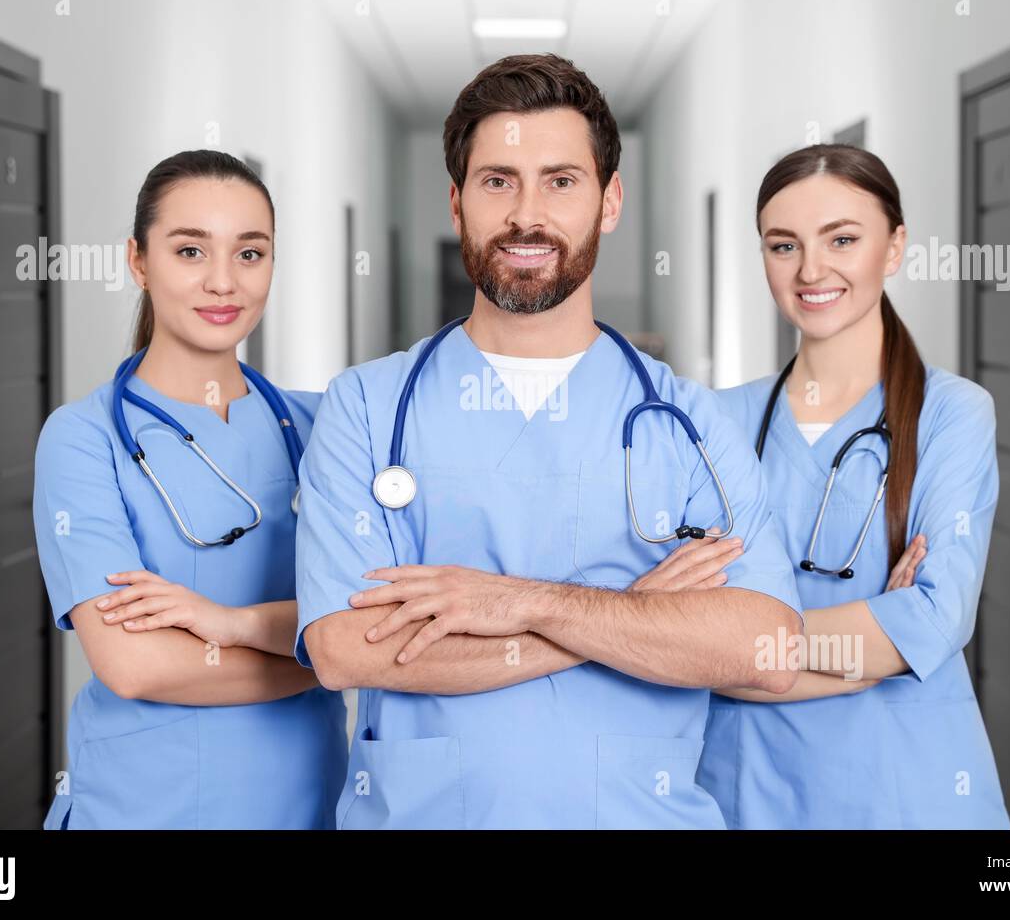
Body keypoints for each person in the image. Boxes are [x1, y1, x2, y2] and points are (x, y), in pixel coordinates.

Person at [293, 54, 804, 830]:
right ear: (457, 202)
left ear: (609, 201)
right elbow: (343, 648)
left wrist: (511, 602)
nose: (526, 215)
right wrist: (631, 615)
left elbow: (765, 648)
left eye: (561, 181)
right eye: (499, 181)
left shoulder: (691, 422)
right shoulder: (366, 407)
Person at [697, 144, 1010, 828]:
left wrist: (740, 645)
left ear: (895, 247)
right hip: (748, 789)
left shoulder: (952, 413)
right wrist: (870, 649)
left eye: (842, 238)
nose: (811, 270)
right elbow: (672, 640)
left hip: (906, 789)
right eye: (784, 245)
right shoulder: (717, 421)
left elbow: (935, 619)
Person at [33, 150, 346, 829]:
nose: (223, 282)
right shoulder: (84, 438)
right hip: (143, 804)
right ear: (138, 261)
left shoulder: (325, 424)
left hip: (305, 803)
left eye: (251, 253)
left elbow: (379, 614)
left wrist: (227, 625)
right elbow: (134, 664)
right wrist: (329, 658)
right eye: (190, 250)